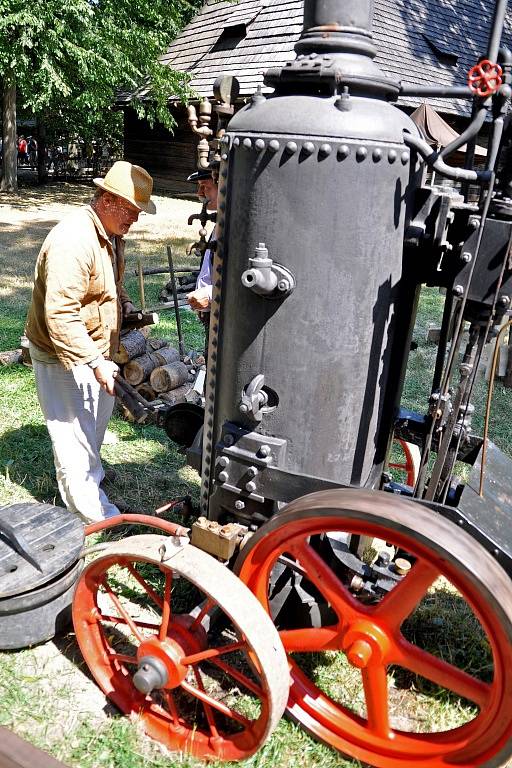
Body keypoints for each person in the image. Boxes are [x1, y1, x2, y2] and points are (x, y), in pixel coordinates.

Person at [25, 161, 156, 523]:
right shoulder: (73, 240)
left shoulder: (111, 233)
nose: (136, 218)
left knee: (94, 422)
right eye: (132, 210)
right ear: (110, 200)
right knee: (73, 438)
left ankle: (91, 478)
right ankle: (92, 516)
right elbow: (61, 314)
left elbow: (109, 282)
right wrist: (95, 362)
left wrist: (125, 303)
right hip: (62, 354)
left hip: (95, 349)